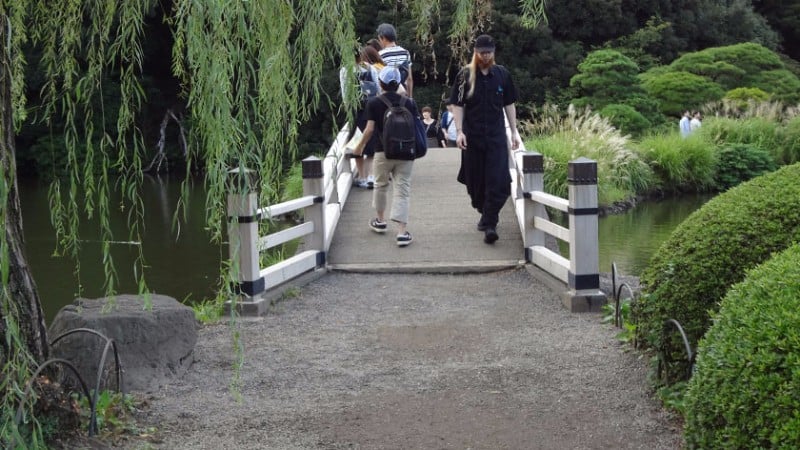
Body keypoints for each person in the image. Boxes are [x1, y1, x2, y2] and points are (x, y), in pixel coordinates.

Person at [449, 34, 520, 244]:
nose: (486, 56)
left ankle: (491, 223)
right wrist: (460, 131)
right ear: (475, 53)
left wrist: (514, 131)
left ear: (494, 52)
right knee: (475, 182)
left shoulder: (502, 74)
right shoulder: (465, 75)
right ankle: (484, 212)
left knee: (498, 181)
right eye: (482, 53)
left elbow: (509, 104)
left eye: (489, 52)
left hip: (496, 136)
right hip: (473, 137)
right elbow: (457, 104)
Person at [352, 66, 418, 247]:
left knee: (381, 185)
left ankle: (380, 221)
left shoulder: (374, 103)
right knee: (402, 190)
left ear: (380, 82)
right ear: (398, 83)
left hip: (382, 151)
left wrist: (359, 147)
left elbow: (369, 130)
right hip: (406, 153)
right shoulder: (409, 103)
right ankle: (402, 233)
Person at [339, 48, 379, 188]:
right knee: (371, 144)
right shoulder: (370, 68)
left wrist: (347, 108)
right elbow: (378, 89)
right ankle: (371, 176)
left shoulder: (345, 70)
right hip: (370, 108)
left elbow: (345, 93)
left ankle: (362, 177)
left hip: (355, 110)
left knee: (357, 142)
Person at [376, 23, 413, 98]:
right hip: (403, 95)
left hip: (386, 97)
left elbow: (379, 79)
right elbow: (409, 78)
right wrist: (410, 97)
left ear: (383, 38)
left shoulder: (381, 54)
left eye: (379, 39)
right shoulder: (405, 53)